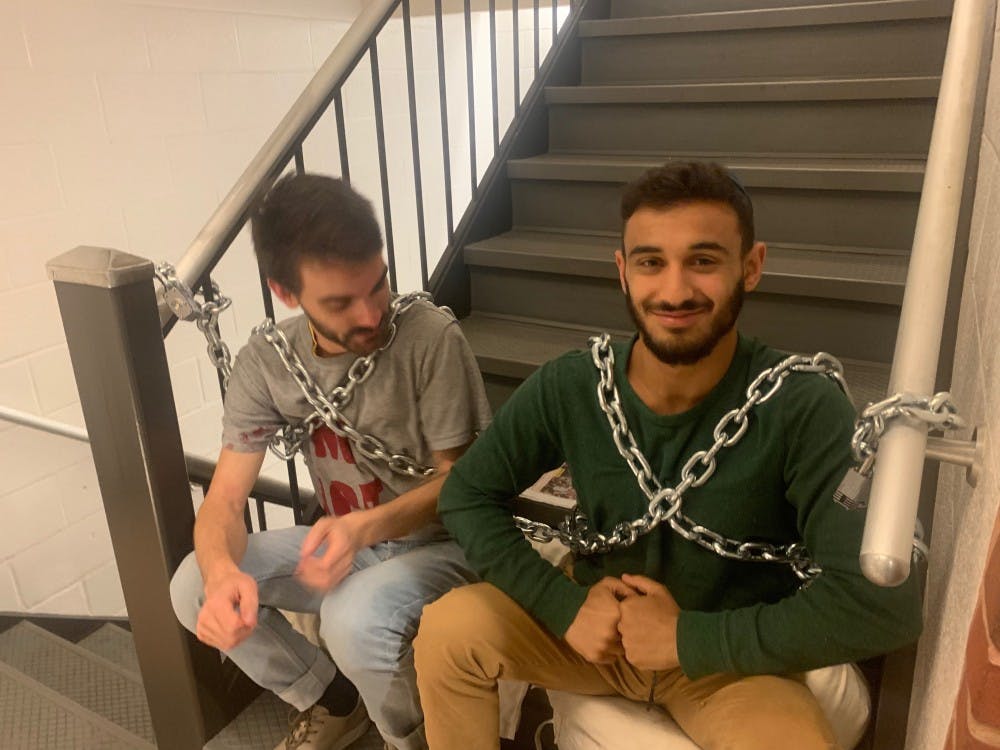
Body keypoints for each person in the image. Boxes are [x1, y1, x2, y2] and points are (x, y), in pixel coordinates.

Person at [413, 161, 923, 749]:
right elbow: (466, 494)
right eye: (651, 262)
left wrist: (688, 641)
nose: (675, 290)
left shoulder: (801, 405)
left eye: (703, 261)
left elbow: (885, 608)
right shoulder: (574, 386)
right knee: (449, 631)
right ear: (623, 272)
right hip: (592, 631)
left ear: (751, 267)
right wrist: (563, 607)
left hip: (728, 662)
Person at [169, 173, 491, 750]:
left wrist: (362, 527)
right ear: (287, 293)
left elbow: (465, 484)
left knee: (351, 619)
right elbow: (223, 501)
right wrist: (223, 575)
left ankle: (415, 739)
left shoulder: (429, 338)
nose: (371, 314)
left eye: (379, 284)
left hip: (442, 546)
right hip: (344, 546)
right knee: (193, 583)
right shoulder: (268, 361)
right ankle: (333, 701)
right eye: (340, 303)